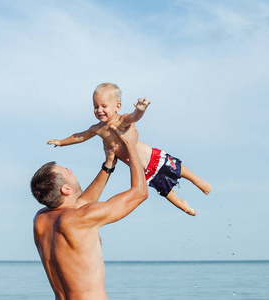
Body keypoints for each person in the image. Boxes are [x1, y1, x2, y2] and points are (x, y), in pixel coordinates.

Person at [47, 82, 211, 216]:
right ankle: (183, 205)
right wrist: (61, 142)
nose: (99, 110)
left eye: (104, 106)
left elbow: (134, 117)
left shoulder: (121, 120)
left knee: (176, 168)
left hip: (151, 157)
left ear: (117, 106)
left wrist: (140, 109)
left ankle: (196, 180)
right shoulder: (97, 129)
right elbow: (80, 136)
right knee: (164, 189)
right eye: (96, 106)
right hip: (143, 170)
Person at [32, 124, 148, 300]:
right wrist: (131, 145)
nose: (71, 171)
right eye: (67, 172)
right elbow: (139, 193)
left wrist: (108, 167)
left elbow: (81, 203)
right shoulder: (79, 218)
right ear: (66, 189)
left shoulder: (40, 220)